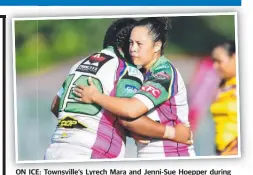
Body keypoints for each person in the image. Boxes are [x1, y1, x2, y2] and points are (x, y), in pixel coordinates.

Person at [45, 18, 192, 160]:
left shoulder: (78, 64)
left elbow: (56, 106)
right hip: (94, 152)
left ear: (157, 46)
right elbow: (128, 118)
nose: (133, 49)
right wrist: (171, 132)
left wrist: (79, 120)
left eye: (139, 44)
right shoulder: (127, 70)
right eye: (131, 43)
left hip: (55, 149)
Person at [210, 40, 238, 156]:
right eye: (213, 61)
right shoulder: (223, 86)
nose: (215, 66)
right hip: (222, 151)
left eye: (219, 61)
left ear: (234, 58)